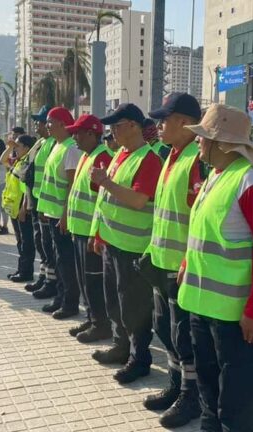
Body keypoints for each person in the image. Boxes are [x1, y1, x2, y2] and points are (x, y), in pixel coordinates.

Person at [177, 104, 253, 432]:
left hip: (237, 314)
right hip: (202, 303)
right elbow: (203, 230)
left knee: (236, 391)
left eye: (203, 138)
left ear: (222, 143)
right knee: (208, 380)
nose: (197, 143)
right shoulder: (216, 176)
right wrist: (186, 263)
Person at [88, 103, 163, 384]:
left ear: (133, 126)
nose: (112, 132)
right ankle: (121, 347)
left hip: (133, 247)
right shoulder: (121, 154)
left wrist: (105, 181)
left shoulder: (149, 159)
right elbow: (106, 200)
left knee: (134, 306)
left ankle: (139, 358)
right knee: (115, 301)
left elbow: (137, 200)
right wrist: (99, 234)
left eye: (117, 127)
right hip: (112, 242)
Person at [143, 93, 205, 428]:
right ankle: (175, 384)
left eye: (164, 119)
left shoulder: (199, 157)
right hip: (161, 260)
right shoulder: (172, 155)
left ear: (183, 121)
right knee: (164, 328)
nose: (158, 126)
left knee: (184, 335)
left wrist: (186, 261)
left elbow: (200, 216)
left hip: (183, 266)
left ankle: (191, 396)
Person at [64, 114, 114, 342]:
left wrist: (98, 233)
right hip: (80, 229)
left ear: (92, 133)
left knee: (94, 280)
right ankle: (91, 316)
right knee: (84, 279)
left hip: (91, 232)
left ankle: (100, 324)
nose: (74, 137)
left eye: (78, 133)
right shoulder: (87, 155)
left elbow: (103, 201)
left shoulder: (102, 158)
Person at [36, 107, 82, 319]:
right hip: (52, 213)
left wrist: (65, 215)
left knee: (66, 262)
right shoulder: (57, 145)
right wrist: (45, 209)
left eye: (51, 122)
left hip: (62, 217)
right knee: (58, 259)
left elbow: (71, 186)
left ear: (64, 124)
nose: (47, 126)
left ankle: (69, 303)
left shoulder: (71, 148)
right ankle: (61, 298)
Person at [23, 106, 58, 293]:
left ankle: (51, 282)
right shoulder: (42, 142)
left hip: (46, 203)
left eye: (40, 121)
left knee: (47, 244)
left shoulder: (53, 143)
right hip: (37, 200)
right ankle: (44, 276)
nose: (36, 124)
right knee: (41, 242)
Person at [3, 135, 36, 285]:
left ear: (27, 148)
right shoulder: (19, 161)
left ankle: (26, 272)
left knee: (26, 242)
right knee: (19, 241)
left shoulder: (27, 163)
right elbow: (2, 161)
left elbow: (25, 189)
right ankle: (21, 269)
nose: (16, 148)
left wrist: (24, 208)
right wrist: (9, 147)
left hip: (22, 210)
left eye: (19, 146)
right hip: (14, 209)